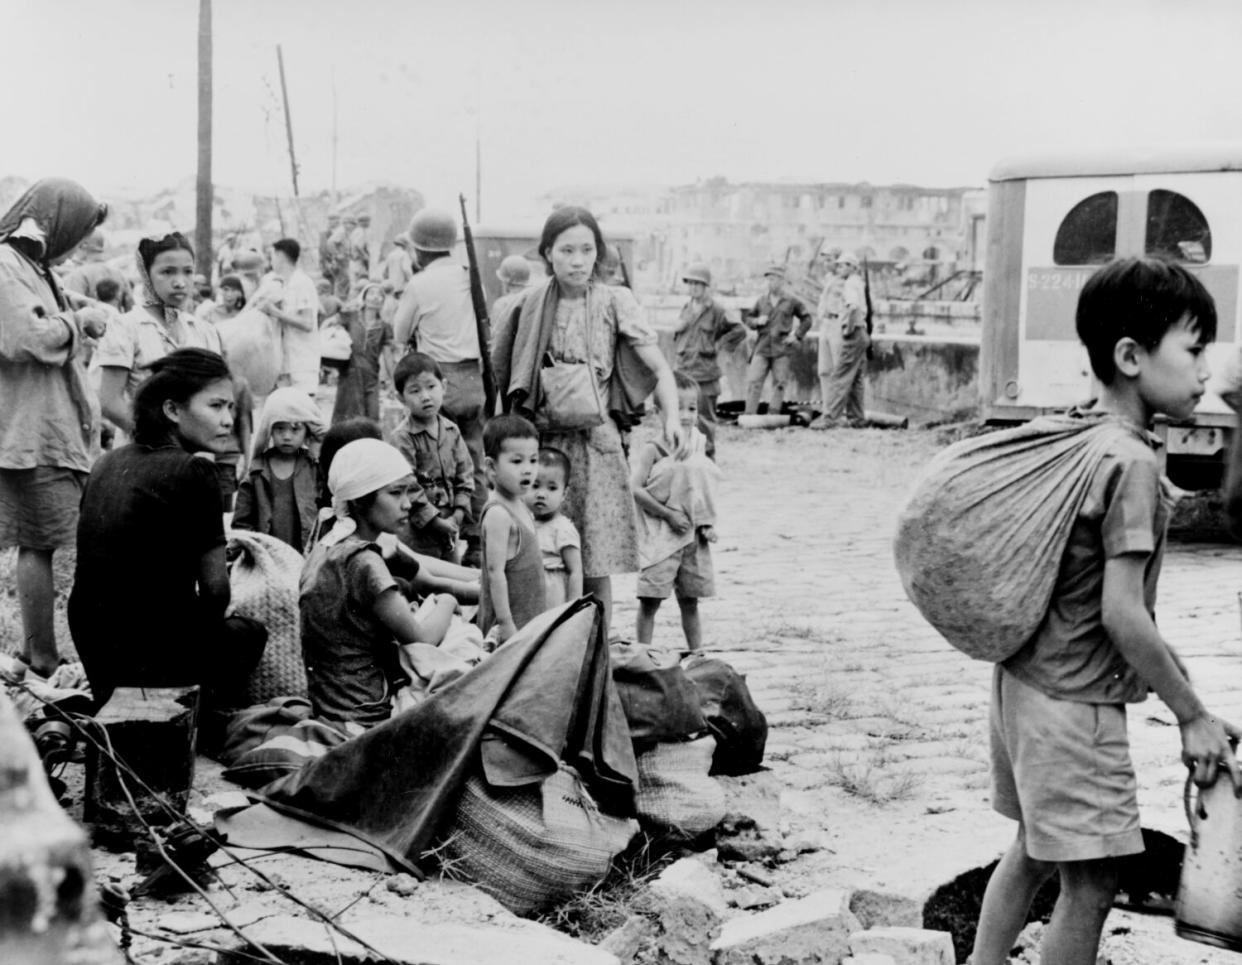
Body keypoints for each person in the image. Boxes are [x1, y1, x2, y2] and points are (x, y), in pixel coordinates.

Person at [970, 257, 1242, 965]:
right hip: (1072, 703)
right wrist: (1190, 714)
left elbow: (1101, 606)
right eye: (1193, 348)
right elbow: (1123, 616)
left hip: (1022, 684)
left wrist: (1186, 688)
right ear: (1130, 356)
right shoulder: (1134, 464)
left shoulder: (1085, 436)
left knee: (1031, 846)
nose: (1207, 369)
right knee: (1091, 880)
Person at [498, 206, 685, 636]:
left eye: (587, 249)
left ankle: (596, 645)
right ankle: (544, 642)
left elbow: (657, 368)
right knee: (536, 549)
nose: (578, 260)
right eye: (567, 250)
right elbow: (506, 375)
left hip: (597, 444)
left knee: (594, 555)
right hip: (543, 444)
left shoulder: (614, 301)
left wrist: (669, 417)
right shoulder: (526, 305)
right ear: (548, 253)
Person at [69, 349, 268, 709]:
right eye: (216, 406)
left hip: (95, 646)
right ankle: (201, 716)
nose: (227, 420)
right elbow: (215, 591)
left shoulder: (106, 461)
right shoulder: (196, 471)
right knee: (249, 632)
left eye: (231, 409)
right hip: (149, 655)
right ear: (173, 410)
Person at [0, 178, 110, 678]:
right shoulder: (6, 267)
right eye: (75, 232)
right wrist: (76, 323)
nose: (73, 246)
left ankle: (42, 650)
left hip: (48, 425)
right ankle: (40, 653)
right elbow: (25, 337)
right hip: (29, 429)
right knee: (38, 540)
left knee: (45, 539)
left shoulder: (34, 269)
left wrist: (75, 314)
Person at [300, 437, 458, 726]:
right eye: (395, 493)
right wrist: (448, 602)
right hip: (365, 709)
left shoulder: (328, 540)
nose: (408, 504)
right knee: (465, 648)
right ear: (360, 501)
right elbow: (422, 641)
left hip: (330, 701)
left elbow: (424, 578)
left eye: (408, 492)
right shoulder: (363, 561)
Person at [392, 208, 488, 567]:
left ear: (418, 250)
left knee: (427, 460)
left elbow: (399, 334)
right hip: (473, 378)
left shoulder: (420, 284)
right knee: (473, 460)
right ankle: (476, 540)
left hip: (432, 378)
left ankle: (435, 532)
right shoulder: (469, 278)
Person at [95, 232, 225, 442]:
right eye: (167, 272)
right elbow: (110, 401)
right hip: (142, 451)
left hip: (196, 453)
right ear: (146, 275)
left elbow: (216, 396)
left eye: (188, 272)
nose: (180, 282)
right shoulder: (126, 327)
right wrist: (161, 442)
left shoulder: (204, 331)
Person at [632, 371, 719, 652]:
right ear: (659, 412)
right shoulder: (653, 449)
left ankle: (697, 652)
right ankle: (643, 653)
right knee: (650, 600)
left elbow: (702, 484)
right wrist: (668, 514)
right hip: (661, 536)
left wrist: (705, 521)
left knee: (690, 600)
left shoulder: (697, 443)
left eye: (692, 408)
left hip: (692, 534)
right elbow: (635, 489)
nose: (685, 415)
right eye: (677, 408)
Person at [387, 351, 474, 561]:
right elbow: (407, 485)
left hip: (451, 522)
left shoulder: (452, 431)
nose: (425, 396)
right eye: (415, 391)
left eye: (431, 387)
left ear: (443, 386)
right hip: (418, 526)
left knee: (452, 574)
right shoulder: (402, 437)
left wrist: (459, 512)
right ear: (401, 398)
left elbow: (465, 473)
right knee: (423, 578)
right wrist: (434, 521)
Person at [477, 414, 545, 643]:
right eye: (517, 462)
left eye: (533, 460)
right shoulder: (498, 514)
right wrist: (506, 624)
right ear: (491, 466)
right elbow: (495, 573)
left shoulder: (521, 504)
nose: (528, 470)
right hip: (509, 627)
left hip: (528, 618)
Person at [234, 388, 322, 551]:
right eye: (280, 428)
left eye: (295, 429)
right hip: (268, 554)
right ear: (269, 430)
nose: (287, 436)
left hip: (306, 554)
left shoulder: (315, 468)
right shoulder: (257, 471)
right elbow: (242, 523)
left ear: (307, 431)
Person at [674, 264, 745, 449]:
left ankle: (707, 463)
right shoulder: (686, 308)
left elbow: (739, 330)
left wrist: (719, 344)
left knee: (704, 422)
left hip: (705, 374)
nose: (693, 287)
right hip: (684, 371)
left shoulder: (717, 310)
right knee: (682, 420)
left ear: (706, 287)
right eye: (690, 283)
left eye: (698, 284)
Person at [742, 264, 811, 416]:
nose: (770, 283)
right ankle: (749, 414)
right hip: (762, 346)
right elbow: (748, 319)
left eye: (773, 279)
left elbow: (807, 319)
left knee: (779, 383)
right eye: (768, 280)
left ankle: (773, 415)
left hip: (782, 348)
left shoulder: (792, 301)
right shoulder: (761, 301)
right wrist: (757, 321)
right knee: (754, 381)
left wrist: (796, 335)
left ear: (781, 280)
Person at [256, 238, 320, 395]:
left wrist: (275, 313)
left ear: (280, 256)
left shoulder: (302, 283)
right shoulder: (279, 283)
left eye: (272, 256)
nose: (271, 261)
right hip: (284, 363)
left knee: (303, 412)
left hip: (302, 363)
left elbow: (307, 323)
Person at [814, 251, 869, 429]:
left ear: (852, 267)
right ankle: (857, 418)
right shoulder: (857, 282)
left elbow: (852, 307)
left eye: (843, 265)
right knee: (855, 378)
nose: (840, 268)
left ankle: (830, 418)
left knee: (840, 376)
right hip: (861, 332)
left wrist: (847, 329)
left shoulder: (850, 284)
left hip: (853, 332)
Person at [525, 447, 582, 609]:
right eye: (535, 486)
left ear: (564, 493)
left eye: (551, 488)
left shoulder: (562, 529)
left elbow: (576, 571)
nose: (541, 494)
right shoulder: (522, 522)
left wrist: (572, 608)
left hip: (552, 598)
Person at [331, 281, 393, 424]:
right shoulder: (350, 317)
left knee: (372, 416)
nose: (376, 297)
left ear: (383, 301)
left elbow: (388, 355)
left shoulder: (384, 327)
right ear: (364, 298)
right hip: (349, 374)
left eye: (380, 295)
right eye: (371, 293)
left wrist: (392, 381)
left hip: (371, 377)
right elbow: (331, 325)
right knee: (348, 417)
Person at [63, 228, 133, 313]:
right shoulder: (119, 274)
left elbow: (71, 311)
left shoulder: (77, 275)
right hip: (116, 324)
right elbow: (130, 309)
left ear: (83, 245)